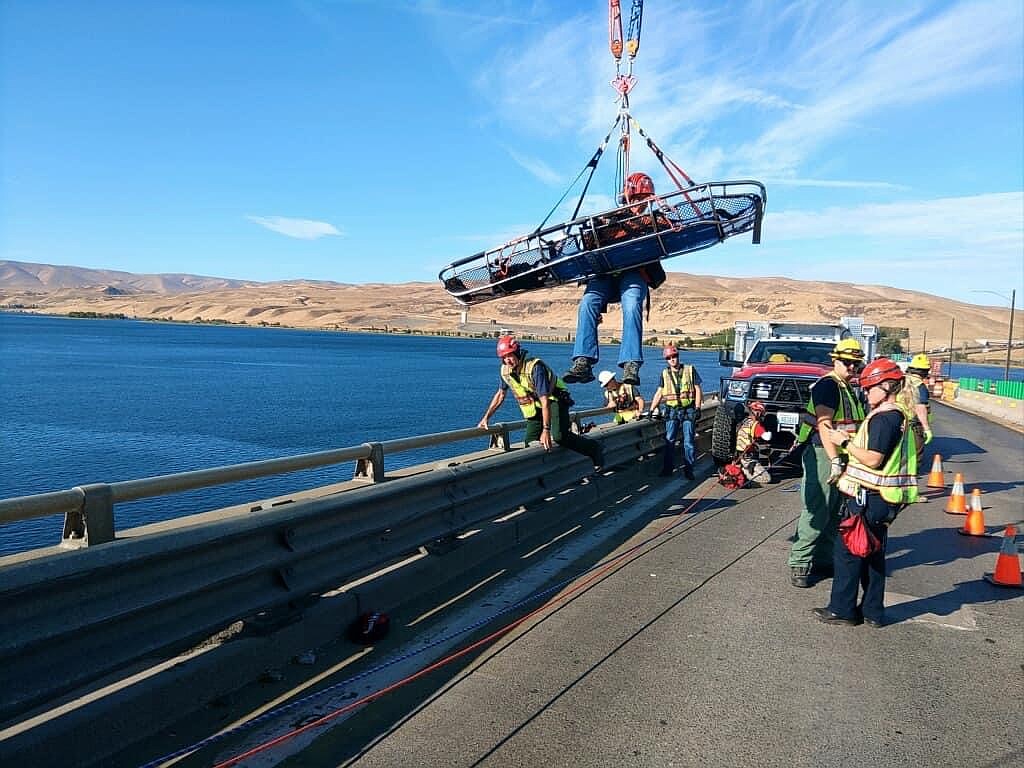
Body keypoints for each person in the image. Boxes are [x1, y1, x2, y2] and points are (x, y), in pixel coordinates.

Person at [813, 358, 919, 627]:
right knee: (873, 554)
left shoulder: (885, 419)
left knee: (848, 553)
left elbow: (873, 458)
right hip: (884, 498)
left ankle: (842, 610)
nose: (865, 392)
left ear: (885, 387)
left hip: (868, 497)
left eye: (868, 388)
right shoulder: (900, 416)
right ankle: (873, 612)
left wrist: (843, 441)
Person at [563, 172, 668, 387]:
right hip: (605, 275)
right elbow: (589, 240)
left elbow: (669, 229)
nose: (641, 204)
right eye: (638, 199)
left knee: (631, 305)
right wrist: (603, 225)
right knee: (588, 303)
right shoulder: (612, 220)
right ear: (628, 198)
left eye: (646, 200)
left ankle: (631, 363)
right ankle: (583, 361)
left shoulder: (651, 221)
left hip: (633, 273)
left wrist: (663, 212)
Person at [787, 338, 867, 588]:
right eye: (847, 363)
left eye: (856, 364)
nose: (852, 368)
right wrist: (834, 460)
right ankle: (800, 562)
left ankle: (823, 559)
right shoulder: (828, 386)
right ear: (835, 360)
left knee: (834, 511)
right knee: (817, 508)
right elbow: (824, 424)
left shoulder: (846, 388)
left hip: (841, 454)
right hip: (824, 453)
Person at [478, 335, 604, 469]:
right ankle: (542, 473)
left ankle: (594, 449)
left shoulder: (534, 367)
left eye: (509, 356)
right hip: (535, 406)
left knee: (560, 436)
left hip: (555, 400)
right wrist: (486, 418)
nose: (507, 361)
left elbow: (545, 400)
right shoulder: (505, 371)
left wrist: (546, 429)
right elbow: (500, 394)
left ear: (517, 352)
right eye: (503, 358)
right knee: (530, 442)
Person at [648, 343, 702, 480]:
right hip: (672, 411)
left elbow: (697, 389)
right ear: (666, 359)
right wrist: (651, 410)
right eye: (669, 357)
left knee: (688, 442)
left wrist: (697, 408)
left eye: (674, 356)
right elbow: (659, 393)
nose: (672, 359)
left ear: (678, 356)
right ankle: (668, 469)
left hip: (688, 410)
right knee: (669, 441)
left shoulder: (690, 370)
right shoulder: (664, 374)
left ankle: (689, 469)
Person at [900, 353, 933, 458]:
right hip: (912, 424)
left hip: (897, 420)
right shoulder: (920, 386)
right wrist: (926, 428)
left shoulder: (900, 380)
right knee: (915, 452)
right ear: (925, 372)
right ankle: (912, 472)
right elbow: (920, 407)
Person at [734, 400, 773, 484]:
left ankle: (744, 468)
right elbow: (767, 437)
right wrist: (770, 432)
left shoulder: (744, 422)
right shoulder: (756, 425)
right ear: (759, 413)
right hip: (749, 458)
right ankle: (745, 473)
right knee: (767, 478)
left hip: (741, 455)